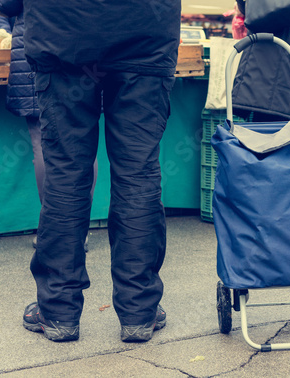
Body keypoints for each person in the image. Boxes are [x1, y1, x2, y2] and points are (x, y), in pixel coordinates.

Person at [18, 1, 180, 342]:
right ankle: (139, 311)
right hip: (145, 37)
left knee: (65, 174)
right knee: (138, 175)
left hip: (63, 35)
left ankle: (58, 312)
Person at [0, 0, 98, 251]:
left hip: (40, 47)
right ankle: (80, 231)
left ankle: (57, 231)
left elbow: (5, 3)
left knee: (42, 141)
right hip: (88, 48)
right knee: (86, 139)